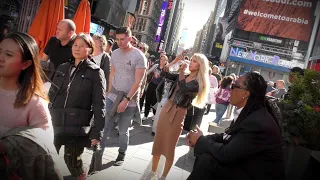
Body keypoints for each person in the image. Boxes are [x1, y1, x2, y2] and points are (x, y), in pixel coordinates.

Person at [187, 72, 285, 180]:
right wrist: (201, 138)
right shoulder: (248, 112)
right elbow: (226, 136)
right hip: (245, 167)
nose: (230, 89)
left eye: (234, 86)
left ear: (246, 93)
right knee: (207, 158)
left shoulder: (257, 121)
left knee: (207, 162)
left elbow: (226, 154)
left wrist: (200, 140)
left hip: (256, 175)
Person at [49, 33, 106, 180]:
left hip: (76, 125)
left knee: (72, 161)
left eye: (82, 46)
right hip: (55, 121)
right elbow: (51, 94)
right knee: (47, 156)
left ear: (90, 49)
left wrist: (97, 132)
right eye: (75, 45)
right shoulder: (62, 67)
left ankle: (81, 176)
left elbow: (100, 104)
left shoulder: (96, 72)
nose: (77, 48)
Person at [148, 53, 210, 179]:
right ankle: (153, 173)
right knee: (158, 142)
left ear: (200, 66)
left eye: (194, 61)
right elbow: (164, 74)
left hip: (179, 113)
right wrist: (174, 61)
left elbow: (183, 88)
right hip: (167, 108)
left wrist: (181, 71)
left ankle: (163, 176)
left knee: (169, 147)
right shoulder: (184, 75)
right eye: (191, 60)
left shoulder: (198, 83)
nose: (190, 62)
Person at [94, 27, 147, 168]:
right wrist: (108, 91)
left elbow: (138, 82)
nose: (119, 42)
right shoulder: (115, 53)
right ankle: (97, 158)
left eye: (122, 39)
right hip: (113, 95)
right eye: (117, 39)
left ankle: (121, 153)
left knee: (123, 130)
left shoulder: (139, 56)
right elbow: (112, 74)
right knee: (104, 127)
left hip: (129, 100)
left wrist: (127, 100)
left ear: (130, 38)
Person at [0, 32, 52, 138]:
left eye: (9, 54)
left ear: (25, 64)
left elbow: (44, 143)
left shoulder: (34, 103)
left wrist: (9, 146)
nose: (1, 58)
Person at [143, 55, 168, 121]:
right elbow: (149, 72)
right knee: (147, 99)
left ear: (166, 61)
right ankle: (145, 114)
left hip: (158, 87)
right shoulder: (156, 66)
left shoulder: (166, 69)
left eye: (164, 60)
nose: (162, 61)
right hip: (152, 84)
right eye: (161, 59)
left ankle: (154, 114)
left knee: (154, 101)